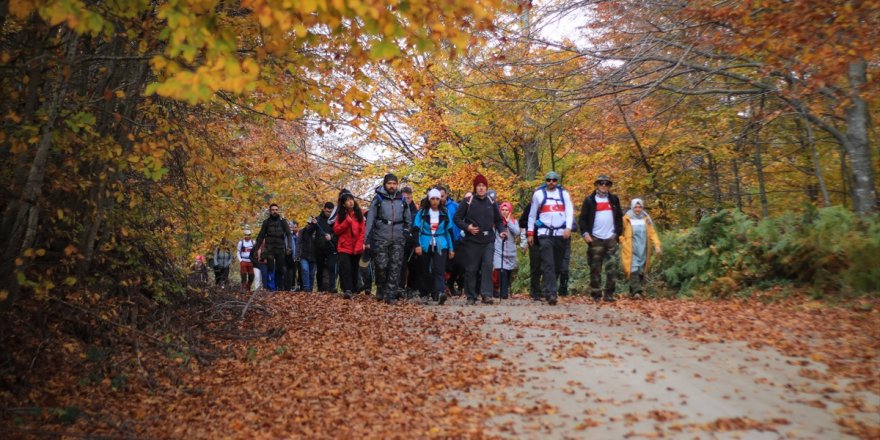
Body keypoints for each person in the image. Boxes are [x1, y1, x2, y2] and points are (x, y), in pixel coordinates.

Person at [454, 174, 507, 305]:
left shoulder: (491, 201)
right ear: (475, 187)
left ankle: (486, 295)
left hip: (488, 239)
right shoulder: (468, 201)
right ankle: (471, 296)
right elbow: (457, 218)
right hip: (472, 240)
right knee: (472, 268)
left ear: (486, 187)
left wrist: (502, 231)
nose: (481, 188)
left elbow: (499, 220)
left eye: (483, 186)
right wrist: (467, 227)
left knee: (488, 266)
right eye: (479, 186)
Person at [527, 171, 574, 306]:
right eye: (548, 180)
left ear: (557, 181)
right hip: (544, 234)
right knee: (548, 263)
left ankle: (548, 290)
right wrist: (530, 233)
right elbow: (532, 215)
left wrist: (568, 228)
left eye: (554, 180)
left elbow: (569, 212)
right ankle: (552, 293)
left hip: (560, 234)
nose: (551, 182)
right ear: (545, 181)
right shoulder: (538, 195)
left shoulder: (564, 195)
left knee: (558, 265)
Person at [364, 173, 412, 304]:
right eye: (389, 183)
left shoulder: (401, 199)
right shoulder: (378, 199)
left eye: (394, 183)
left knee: (395, 266)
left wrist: (407, 231)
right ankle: (381, 287)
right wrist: (367, 239)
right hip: (381, 237)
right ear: (385, 184)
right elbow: (370, 219)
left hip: (398, 237)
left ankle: (390, 294)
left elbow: (408, 218)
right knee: (381, 265)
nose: (392, 186)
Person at [578, 174, 624, 302]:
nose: (604, 186)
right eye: (601, 183)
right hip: (595, 239)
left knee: (612, 267)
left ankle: (609, 294)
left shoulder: (614, 200)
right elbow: (582, 219)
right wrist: (585, 234)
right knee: (595, 268)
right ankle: (596, 295)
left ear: (609, 186)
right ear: (597, 185)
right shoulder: (589, 200)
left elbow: (619, 218)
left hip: (611, 238)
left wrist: (617, 234)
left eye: (606, 184)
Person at [413, 188, 456, 305]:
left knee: (439, 269)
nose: (435, 201)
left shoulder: (445, 213)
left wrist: (452, 249)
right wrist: (417, 245)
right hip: (425, 242)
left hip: (441, 243)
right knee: (424, 269)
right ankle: (424, 294)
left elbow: (449, 231)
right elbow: (416, 230)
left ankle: (440, 292)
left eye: (437, 198)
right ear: (429, 199)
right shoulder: (422, 213)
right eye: (433, 198)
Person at [620, 198, 662, 298]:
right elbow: (619, 231)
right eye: (635, 207)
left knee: (641, 270)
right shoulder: (626, 218)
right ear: (632, 207)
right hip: (631, 248)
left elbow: (652, 233)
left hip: (643, 248)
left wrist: (657, 245)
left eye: (640, 207)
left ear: (642, 207)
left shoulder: (646, 219)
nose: (638, 209)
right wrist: (623, 241)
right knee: (632, 267)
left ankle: (633, 292)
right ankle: (637, 292)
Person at [333, 190, 366, 299]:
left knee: (355, 268)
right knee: (345, 268)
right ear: (343, 204)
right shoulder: (340, 215)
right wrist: (346, 222)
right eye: (347, 201)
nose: (350, 202)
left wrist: (359, 245)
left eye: (351, 199)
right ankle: (347, 290)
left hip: (356, 247)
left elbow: (362, 231)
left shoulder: (359, 213)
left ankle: (354, 289)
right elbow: (336, 230)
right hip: (344, 247)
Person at [252, 203, 292, 292]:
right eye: (273, 210)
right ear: (270, 211)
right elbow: (261, 236)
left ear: (278, 211)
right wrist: (256, 249)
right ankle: (271, 288)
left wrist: (289, 247)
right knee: (271, 268)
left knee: (280, 268)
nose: (275, 211)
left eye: (276, 210)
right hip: (269, 249)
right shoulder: (266, 222)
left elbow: (289, 234)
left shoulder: (283, 221)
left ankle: (280, 287)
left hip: (280, 248)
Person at [494, 202, 520, 299]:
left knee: (508, 271)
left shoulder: (514, 222)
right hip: (499, 249)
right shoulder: (496, 222)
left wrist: (508, 222)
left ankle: (505, 291)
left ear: (510, 211)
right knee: (501, 270)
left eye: (506, 210)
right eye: (502, 210)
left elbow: (517, 232)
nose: (504, 212)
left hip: (510, 251)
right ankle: (503, 293)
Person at [519, 202, 543, 300]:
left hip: (549, 240)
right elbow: (522, 222)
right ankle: (535, 292)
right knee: (535, 266)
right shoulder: (531, 206)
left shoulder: (550, 204)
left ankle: (546, 290)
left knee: (548, 266)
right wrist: (534, 223)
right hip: (534, 241)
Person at [400, 186, 421, 298]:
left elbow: (417, 227)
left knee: (413, 266)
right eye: (405, 198)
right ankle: (401, 288)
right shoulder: (398, 210)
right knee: (401, 266)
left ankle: (411, 288)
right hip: (401, 242)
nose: (407, 200)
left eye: (408, 198)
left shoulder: (416, 212)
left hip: (413, 243)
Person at [314, 202, 339, 293]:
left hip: (331, 248)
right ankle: (320, 288)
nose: (328, 213)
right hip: (319, 248)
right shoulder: (318, 219)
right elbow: (309, 232)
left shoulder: (335, 220)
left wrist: (331, 237)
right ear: (324, 209)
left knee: (332, 267)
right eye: (327, 211)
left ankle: (332, 287)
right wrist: (312, 224)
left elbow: (338, 233)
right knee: (320, 269)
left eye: (330, 212)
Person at [299, 216, 318, 292]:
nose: (308, 225)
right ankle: (306, 288)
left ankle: (310, 289)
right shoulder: (302, 231)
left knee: (312, 273)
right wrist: (297, 255)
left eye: (310, 224)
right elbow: (298, 243)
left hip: (314, 256)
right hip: (304, 255)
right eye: (308, 223)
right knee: (305, 270)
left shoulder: (316, 232)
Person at [285, 221, 302, 291]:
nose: (292, 228)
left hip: (296, 256)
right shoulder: (286, 235)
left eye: (294, 227)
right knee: (290, 272)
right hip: (287, 256)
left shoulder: (297, 236)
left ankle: (296, 285)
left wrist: (296, 255)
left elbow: (297, 246)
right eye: (290, 227)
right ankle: (289, 286)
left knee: (297, 271)